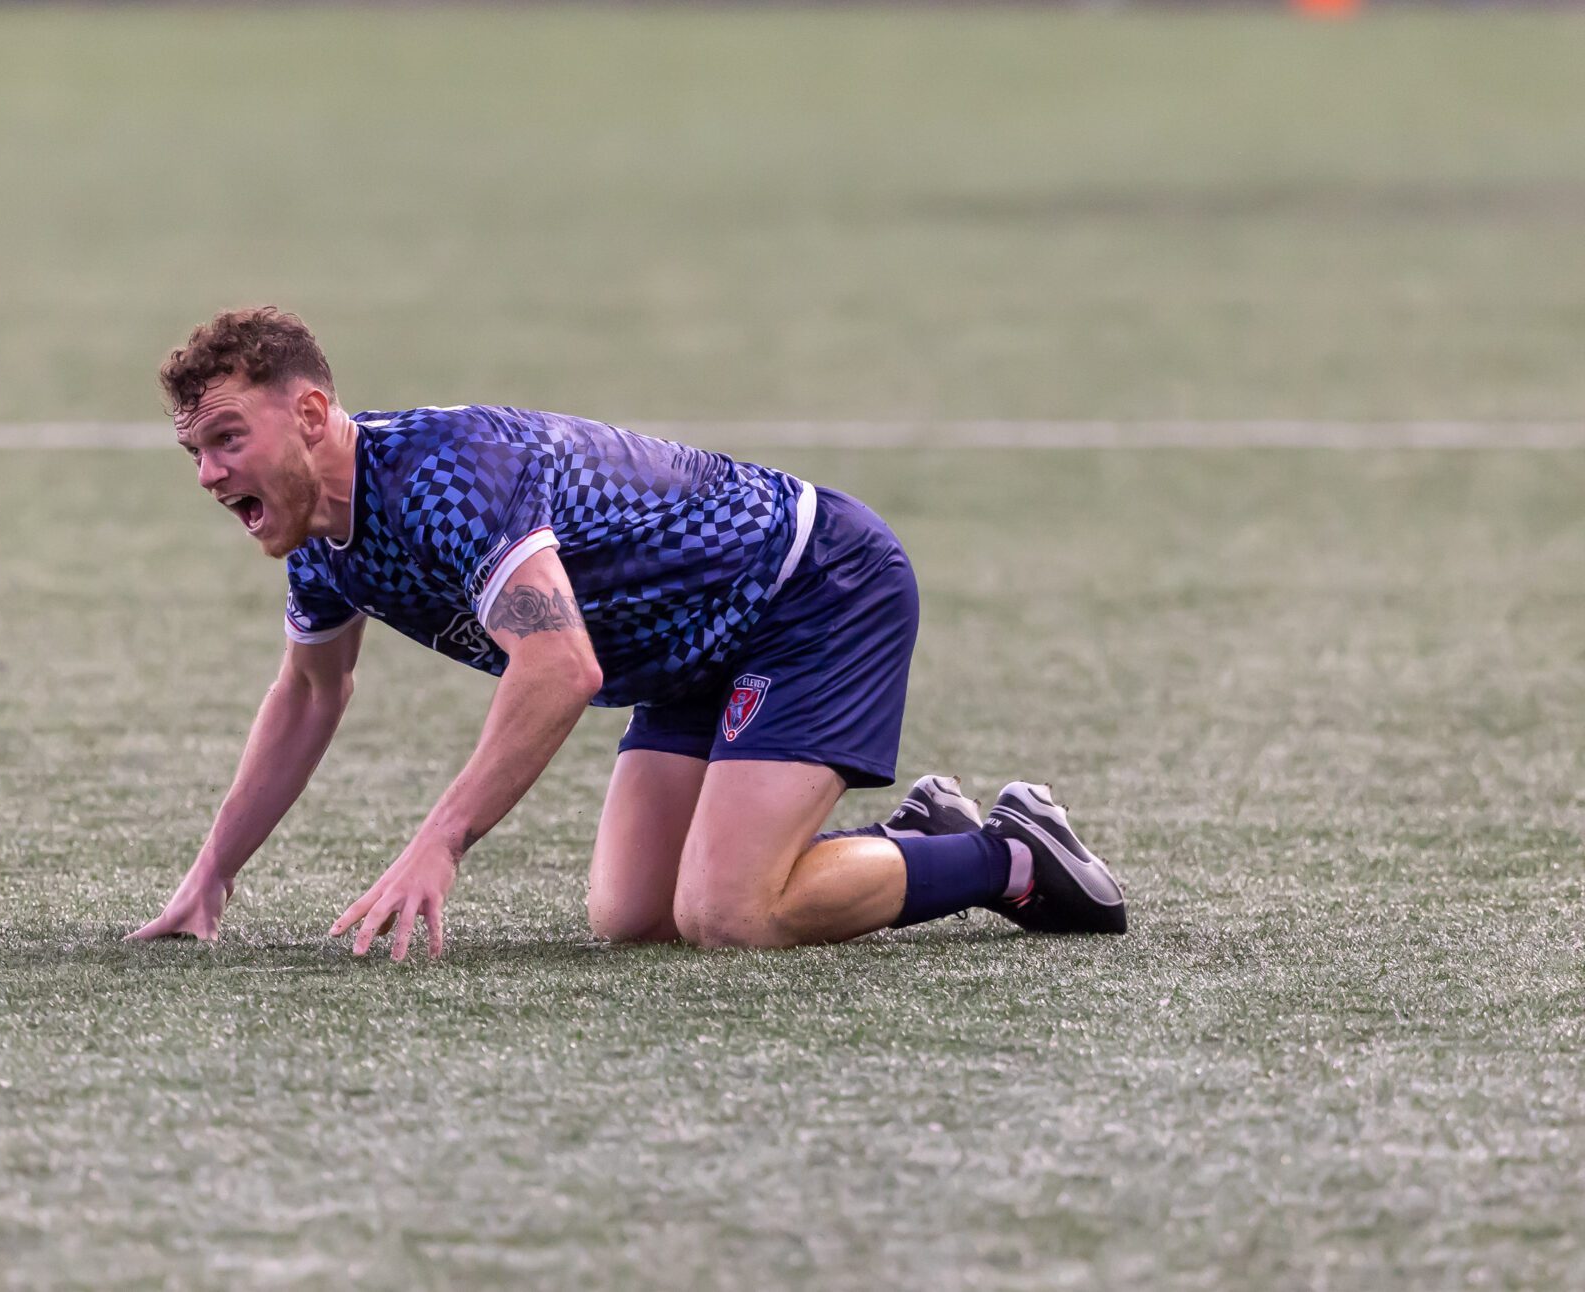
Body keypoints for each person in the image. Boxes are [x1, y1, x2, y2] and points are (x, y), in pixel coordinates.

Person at [129, 307, 1127, 960]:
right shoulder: (319, 532)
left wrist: (441, 840)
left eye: (228, 437)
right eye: (196, 450)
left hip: (811, 589)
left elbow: (559, 664)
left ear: (309, 413)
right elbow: (310, 692)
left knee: (730, 914)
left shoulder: (445, 480)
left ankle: (1012, 856)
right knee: (638, 918)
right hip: (688, 648)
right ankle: (920, 842)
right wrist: (211, 874)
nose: (212, 474)